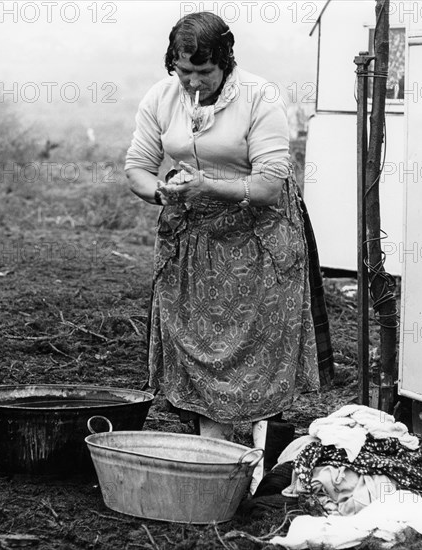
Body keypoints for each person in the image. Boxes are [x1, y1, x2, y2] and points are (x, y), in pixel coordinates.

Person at [125, 12, 333, 491]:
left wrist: (209, 185)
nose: (194, 82)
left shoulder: (261, 98)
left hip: (257, 232)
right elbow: (137, 166)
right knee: (197, 334)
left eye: (205, 72)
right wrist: (161, 192)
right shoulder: (161, 98)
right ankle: (211, 448)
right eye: (185, 72)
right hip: (194, 236)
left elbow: (266, 184)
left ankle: (267, 446)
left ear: (225, 62)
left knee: (259, 336)